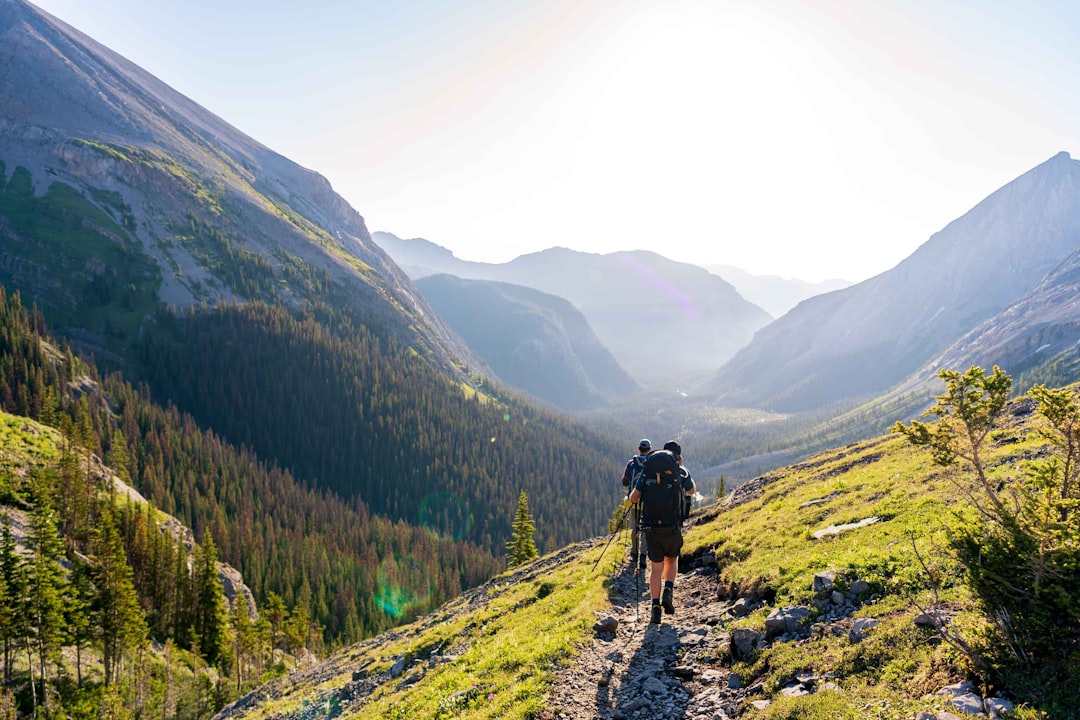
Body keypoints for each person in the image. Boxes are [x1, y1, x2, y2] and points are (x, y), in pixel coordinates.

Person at [629, 439, 695, 624]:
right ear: (678, 457)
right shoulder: (680, 471)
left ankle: (655, 608)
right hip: (672, 526)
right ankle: (668, 589)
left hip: (651, 527)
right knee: (672, 560)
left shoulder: (647, 472)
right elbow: (691, 490)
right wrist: (682, 468)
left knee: (656, 568)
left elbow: (634, 498)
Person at [621, 439, 652, 571]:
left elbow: (625, 482)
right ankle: (643, 555)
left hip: (633, 500)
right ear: (649, 449)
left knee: (634, 527)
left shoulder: (631, 463)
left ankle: (634, 553)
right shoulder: (652, 463)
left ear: (638, 449)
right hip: (648, 501)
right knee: (645, 528)